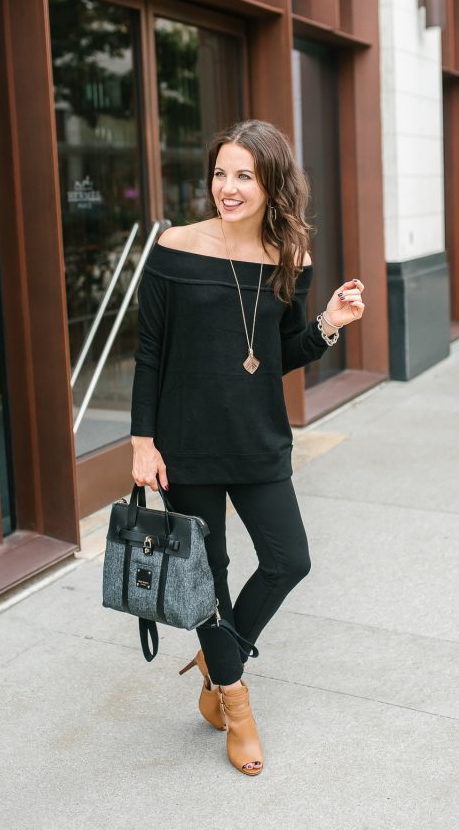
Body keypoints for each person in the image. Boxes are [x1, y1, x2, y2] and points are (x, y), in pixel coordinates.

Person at [130, 119, 365, 776]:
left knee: (290, 560)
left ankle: (219, 653)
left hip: (257, 438)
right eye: (220, 173)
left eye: (244, 176)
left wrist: (326, 327)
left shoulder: (292, 257)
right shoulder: (174, 247)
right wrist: (142, 440)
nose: (227, 188)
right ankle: (233, 704)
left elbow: (279, 353)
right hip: (185, 444)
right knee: (209, 575)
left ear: (270, 185)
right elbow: (148, 353)